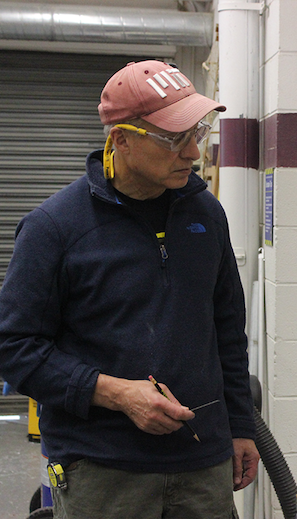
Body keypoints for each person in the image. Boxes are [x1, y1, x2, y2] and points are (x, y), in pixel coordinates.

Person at [0, 60, 258, 519]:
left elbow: (227, 333)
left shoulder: (206, 215)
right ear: (121, 139)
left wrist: (240, 426)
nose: (192, 152)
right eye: (174, 139)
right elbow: (14, 348)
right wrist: (116, 393)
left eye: (197, 133)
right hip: (102, 472)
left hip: (203, 463)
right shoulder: (54, 229)